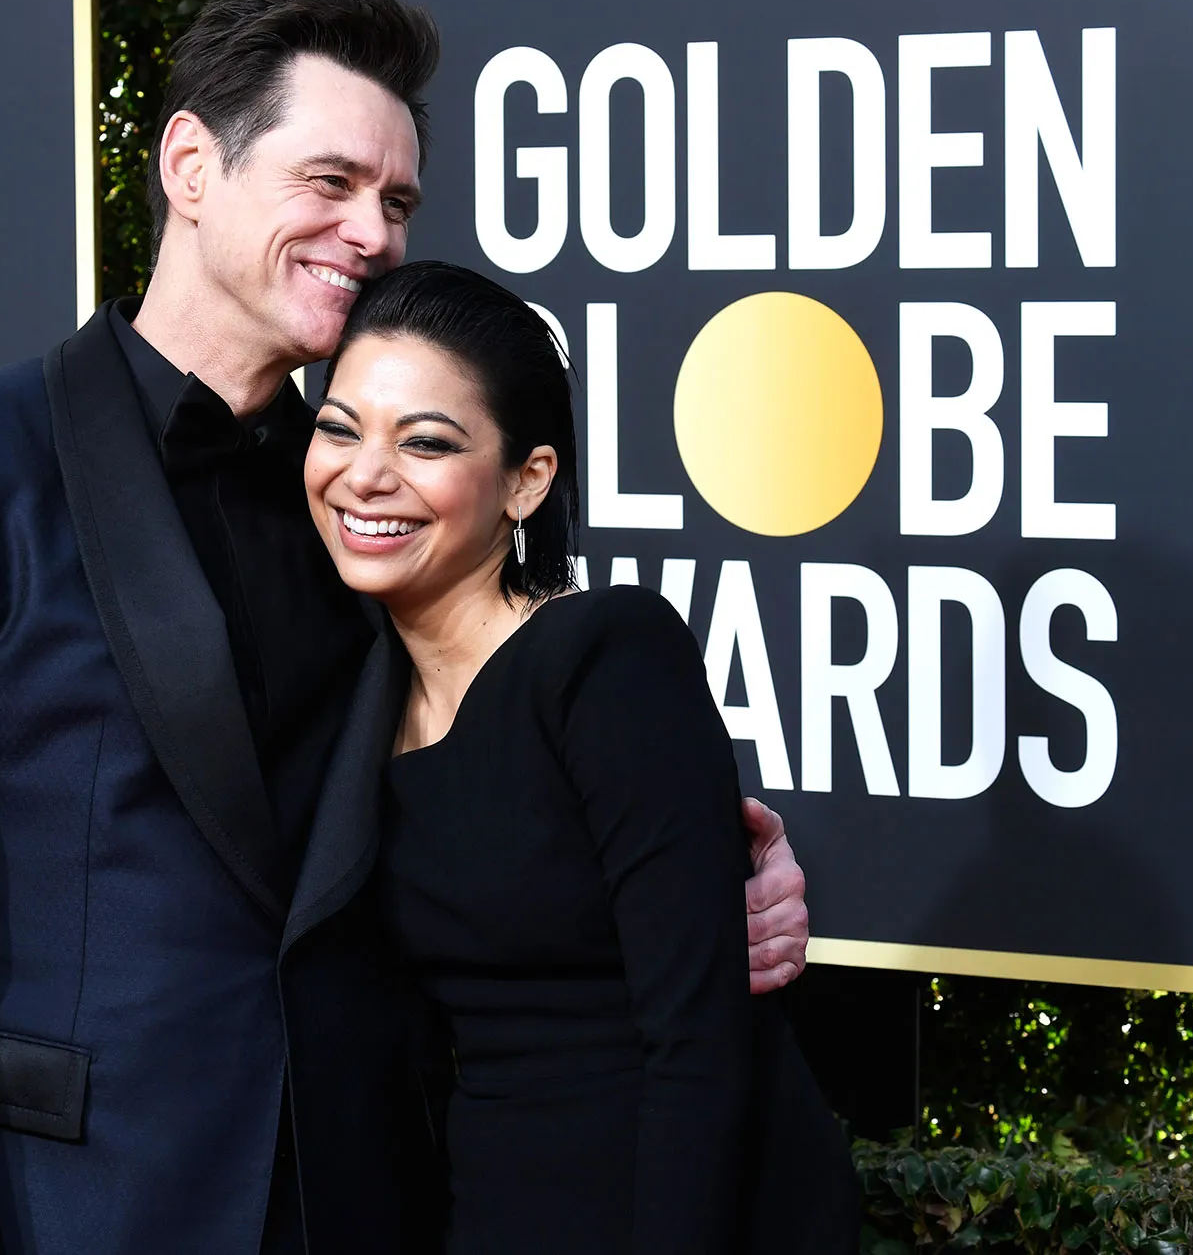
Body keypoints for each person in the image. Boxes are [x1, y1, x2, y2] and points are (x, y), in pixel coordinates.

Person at [0, 0, 813, 1255]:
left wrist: (719, 872)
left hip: (367, 1201)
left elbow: (497, 769)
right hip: (79, 1207)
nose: (370, 233)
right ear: (190, 166)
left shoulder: (364, 504)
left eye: (396, 202)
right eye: (330, 181)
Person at [306, 260, 858, 1253]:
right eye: (340, 428)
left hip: (671, 1208)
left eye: (424, 442)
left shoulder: (606, 658)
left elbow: (698, 1047)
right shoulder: (351, 696)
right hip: (491, 1207)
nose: (366, 474)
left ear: (527, 480)